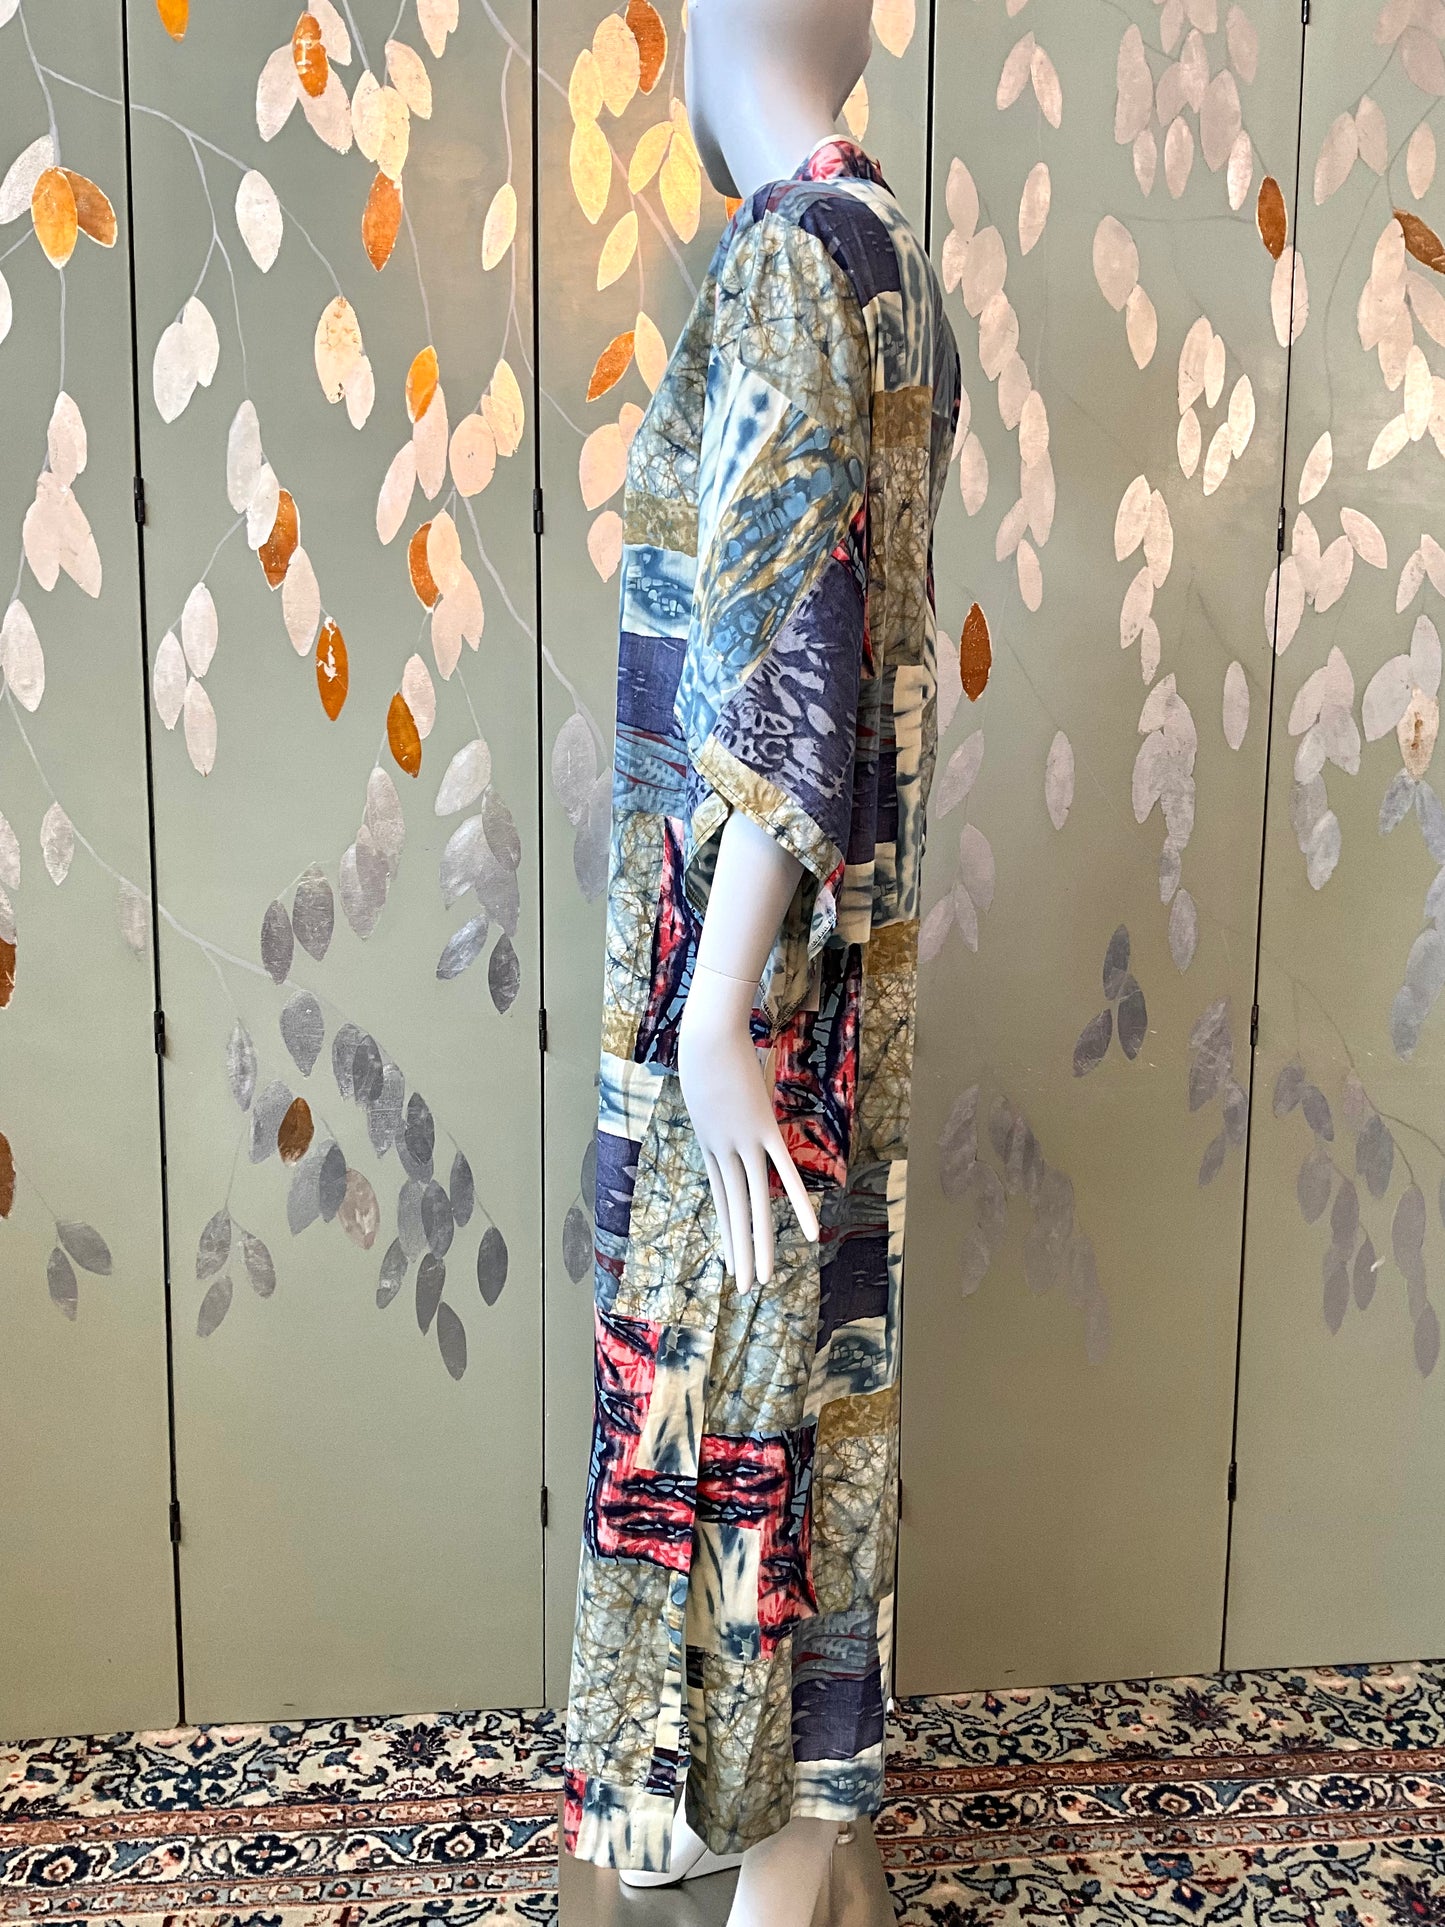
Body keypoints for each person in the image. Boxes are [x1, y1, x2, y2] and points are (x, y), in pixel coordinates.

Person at [563, 1, 962, 1920]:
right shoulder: (878, 248)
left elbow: (787, 656)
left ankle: (774, 1871)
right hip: (821, 964)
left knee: (724, 1404)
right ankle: (810, 1860)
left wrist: (712, 1009)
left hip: (756, 977)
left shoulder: (803, 254)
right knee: (795, 1398)